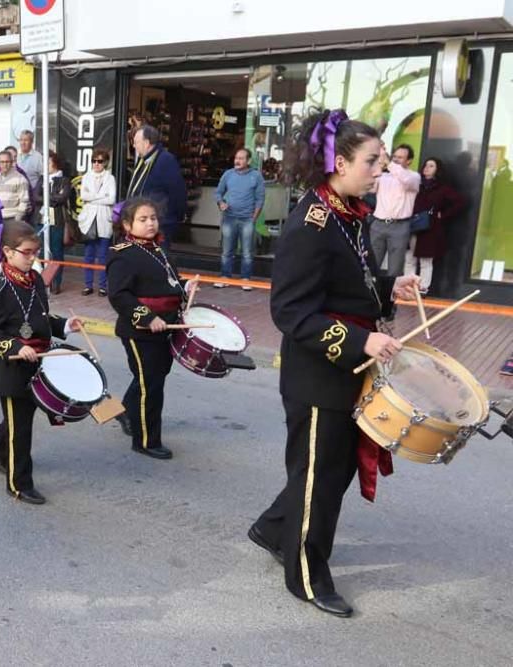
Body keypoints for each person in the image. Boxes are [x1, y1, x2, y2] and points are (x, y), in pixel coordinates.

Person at [248, 109, 420, 618]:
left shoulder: (347, 211)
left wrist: (391, 287)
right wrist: (359, 341)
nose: (380, 169)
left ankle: (272, 527)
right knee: (320, 474)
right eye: (372, 161)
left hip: (346, 367)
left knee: (333, 469)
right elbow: (291, 310)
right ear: (339, 162)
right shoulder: (312, 221)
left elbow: (351, 280)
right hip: (318, 374)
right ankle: (304, 572)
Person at [0, 220, 81, 505]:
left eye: (35, 252)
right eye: (26, 252)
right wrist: (15, 346)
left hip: (39, 364)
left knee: (21, 419)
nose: (32, 257)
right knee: (21, 428)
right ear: (8, 252)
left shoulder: (35, 280)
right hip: (13, 370)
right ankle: (19, 484)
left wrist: (64, 326)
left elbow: (39, 318)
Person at [106, 197, 194, 460]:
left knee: (153, 377)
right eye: (143, 219)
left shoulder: (159, 250)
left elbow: (170, 282)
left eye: (153, 218)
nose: (150, 223)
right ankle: (146, 440)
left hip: (167, 325)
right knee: (151, 385)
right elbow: (119, 295)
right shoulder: (122, 254)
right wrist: (146, 317)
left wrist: (185, 287)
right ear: (127, 224)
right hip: (139, 331)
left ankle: (125, 412)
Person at [405, 158, 466, 294]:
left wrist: (443, 215)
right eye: (426, 165)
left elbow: (460, 202)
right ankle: (408, 286)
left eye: (431, 166)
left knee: (426, 261)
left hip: (429, 229)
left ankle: (422, 287)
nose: (427, 168)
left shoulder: (442, 188)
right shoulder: (417, 184)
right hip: (413, 226)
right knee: (409, 258)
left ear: (437, 170)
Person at [127, 125, 186, 249]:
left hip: (159, 223)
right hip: (140, 221)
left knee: (157, 260)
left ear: (147, 143)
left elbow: (177, 192)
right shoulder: (144, 161)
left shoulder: (166, 160)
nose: (134, 146)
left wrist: (176, 217)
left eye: (136, 142)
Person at [214, 147, 265, 290]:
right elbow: (218, 193)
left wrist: (253, 218)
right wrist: (221, 203)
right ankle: (225, 276)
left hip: (247, 220)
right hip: (229, 218)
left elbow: (260, 199)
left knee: (247, 252)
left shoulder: (256, 176)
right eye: (236, 158)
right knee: (226, 251)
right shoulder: (228, 174)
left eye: (241, 158)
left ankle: (246, 279)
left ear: (248, 161)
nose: (237, 161)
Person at [370, 143, 420, 276]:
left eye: (400, 157)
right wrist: (378, 165)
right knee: (371, 264)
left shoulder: (414, 177)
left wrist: (389, 163)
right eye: (394, 156)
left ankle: (389, 296)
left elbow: (406, 180)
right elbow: (371, 188)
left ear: (409, 161)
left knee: (395, 268)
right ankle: (369, 295)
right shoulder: (383, 176)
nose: (396, 159)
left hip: (400, 226)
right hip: (378, 224)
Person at [78, 148, 116, 296]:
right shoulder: (86, 177)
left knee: (103, 256)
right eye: (94, 161)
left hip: (104, 220)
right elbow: (83, 196)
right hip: (89, 220)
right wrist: (101, 196)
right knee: (88, 255)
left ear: (105, 162)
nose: (96, 164)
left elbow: (111, 199)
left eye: (99, 161)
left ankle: (102, 286)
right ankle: (88, 285)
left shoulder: (110, 178)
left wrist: (92, 197)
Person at [44, 151, 74, 294]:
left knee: (56, 252)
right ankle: (44, 280)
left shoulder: (64, 180)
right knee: (43, 252)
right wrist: (52, 197)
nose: (46, 166)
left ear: (55, 164)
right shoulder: (42, 179)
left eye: (48, 163)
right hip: (42, 219)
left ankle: (56, 282)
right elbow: (37, 196)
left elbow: (62, 198)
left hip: (57, 220)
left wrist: (48, 197)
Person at [0, 150, 29, 223]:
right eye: (2, 162)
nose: (5, 164)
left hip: (13, 219)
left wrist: (17, 220)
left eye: (7, 162)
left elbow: (24, 201)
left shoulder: (20, 179)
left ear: (11, 162)